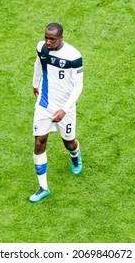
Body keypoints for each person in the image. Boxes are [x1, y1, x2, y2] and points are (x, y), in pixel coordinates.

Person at [29, 23, 84, 203]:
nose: (48, 41)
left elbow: (78, 86)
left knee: (68, 142)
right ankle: (43, 187)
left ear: (61, 38)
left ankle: (75, 155)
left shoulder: (73, 56)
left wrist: (64, 109)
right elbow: (39, 63)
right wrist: (35, 83)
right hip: (44, 105)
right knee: (39, 142)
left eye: (52, 39)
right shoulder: (42, 48)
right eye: (46, 37)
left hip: (65, 108)